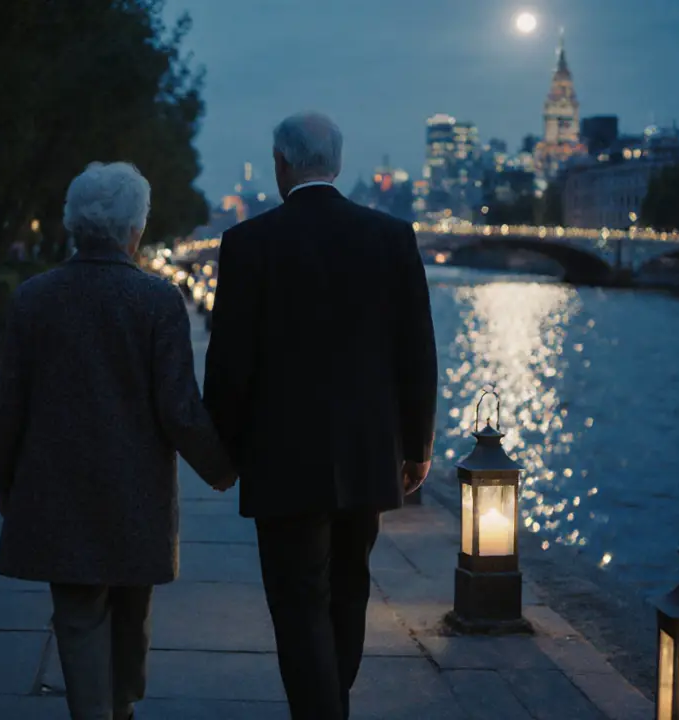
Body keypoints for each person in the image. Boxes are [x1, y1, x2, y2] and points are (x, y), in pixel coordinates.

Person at [203, 112, 438, 719]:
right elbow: (416, 353)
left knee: (298, 601)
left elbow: (230, 366)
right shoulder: (390, 237)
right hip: (366, 454)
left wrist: (221, 453)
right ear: (338, 164)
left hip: (281, 459)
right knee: (348, 593)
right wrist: (418, 447)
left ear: (282, 165)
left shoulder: (248, 244)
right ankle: (331, 705)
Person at [0, 162, 236, 720]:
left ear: (75, 225)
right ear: (135, 231)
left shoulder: (34, 298)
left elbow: (10, 404)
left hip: (57, 489)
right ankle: (120, 704)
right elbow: (178, 407)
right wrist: (220, 466)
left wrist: (4, 478)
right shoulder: (157, 300)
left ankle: (94, 711)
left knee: (77, 615)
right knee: (132, 608)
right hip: (135, 492)